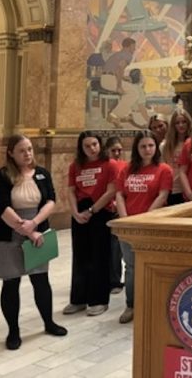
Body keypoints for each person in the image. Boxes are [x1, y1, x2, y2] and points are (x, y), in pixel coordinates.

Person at [0, 134, 67, 350]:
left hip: (37, 228)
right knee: (11, 282)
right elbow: (2, 206)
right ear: (11, 153)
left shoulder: (42, 173)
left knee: (41, 279)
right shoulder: (0, 176)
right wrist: (27, 230)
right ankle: (13, 331)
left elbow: (51, 200)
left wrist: (34, 224)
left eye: (30, 149)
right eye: (22, 150)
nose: (27, 154)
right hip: (8, 233)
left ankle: (48, 323)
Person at [115, 130, 172, 324]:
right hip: (128, 225)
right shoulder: (126, 169)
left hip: (151, 225)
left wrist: (144, 218)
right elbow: (119, 194)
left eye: (150, 145)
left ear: (156, 147)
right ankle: (131, 304)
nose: (147, 150)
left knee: (153, 265)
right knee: (131, 267)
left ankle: (153, 304)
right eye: (143, 146)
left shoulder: (163, 169)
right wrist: (125, 220)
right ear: (136, 149)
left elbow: (162, 195)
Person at [63, 131, 119, 318]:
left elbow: (111, 191)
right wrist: (75, 212)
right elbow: (71, 191)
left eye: (94, 144)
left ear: (100, 145)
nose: (91, 148)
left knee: (99, 256)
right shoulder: (75, 166)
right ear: (81, 148)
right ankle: (79, 299)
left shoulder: (109, 164)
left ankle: (98, 300)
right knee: (80, 255)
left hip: (100, 211)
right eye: (87, 146)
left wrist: (92, 211)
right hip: (80, 211)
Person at [104, 136, 125, 294]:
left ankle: (115, 280)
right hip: (105, 208)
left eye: (119, 150)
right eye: (113, 150)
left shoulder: (125, 166)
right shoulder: (104, 166)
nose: (117, 153)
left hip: (118, 210)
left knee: (116, 248)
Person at [160, 108, 192, 205]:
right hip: (172, 189)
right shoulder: (165, 145)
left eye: (184, 122)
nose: (181, 125)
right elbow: (162, 169)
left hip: (189, 188)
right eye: (177, 123)